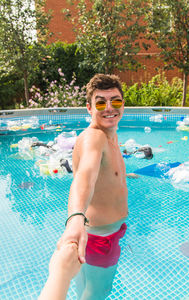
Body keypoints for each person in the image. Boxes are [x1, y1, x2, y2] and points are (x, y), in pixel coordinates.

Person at [58, 74, 129, 299]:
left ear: (123, 104)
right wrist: (76, 217)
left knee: (85, 287)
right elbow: (85, 177)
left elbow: (99, 175)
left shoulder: (110, 134)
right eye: (101, 102)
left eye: (115, 101)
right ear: (89, 108)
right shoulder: (94, 138)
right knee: (99, 292)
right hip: (100, 237)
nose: (109, 108)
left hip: (95, 234)